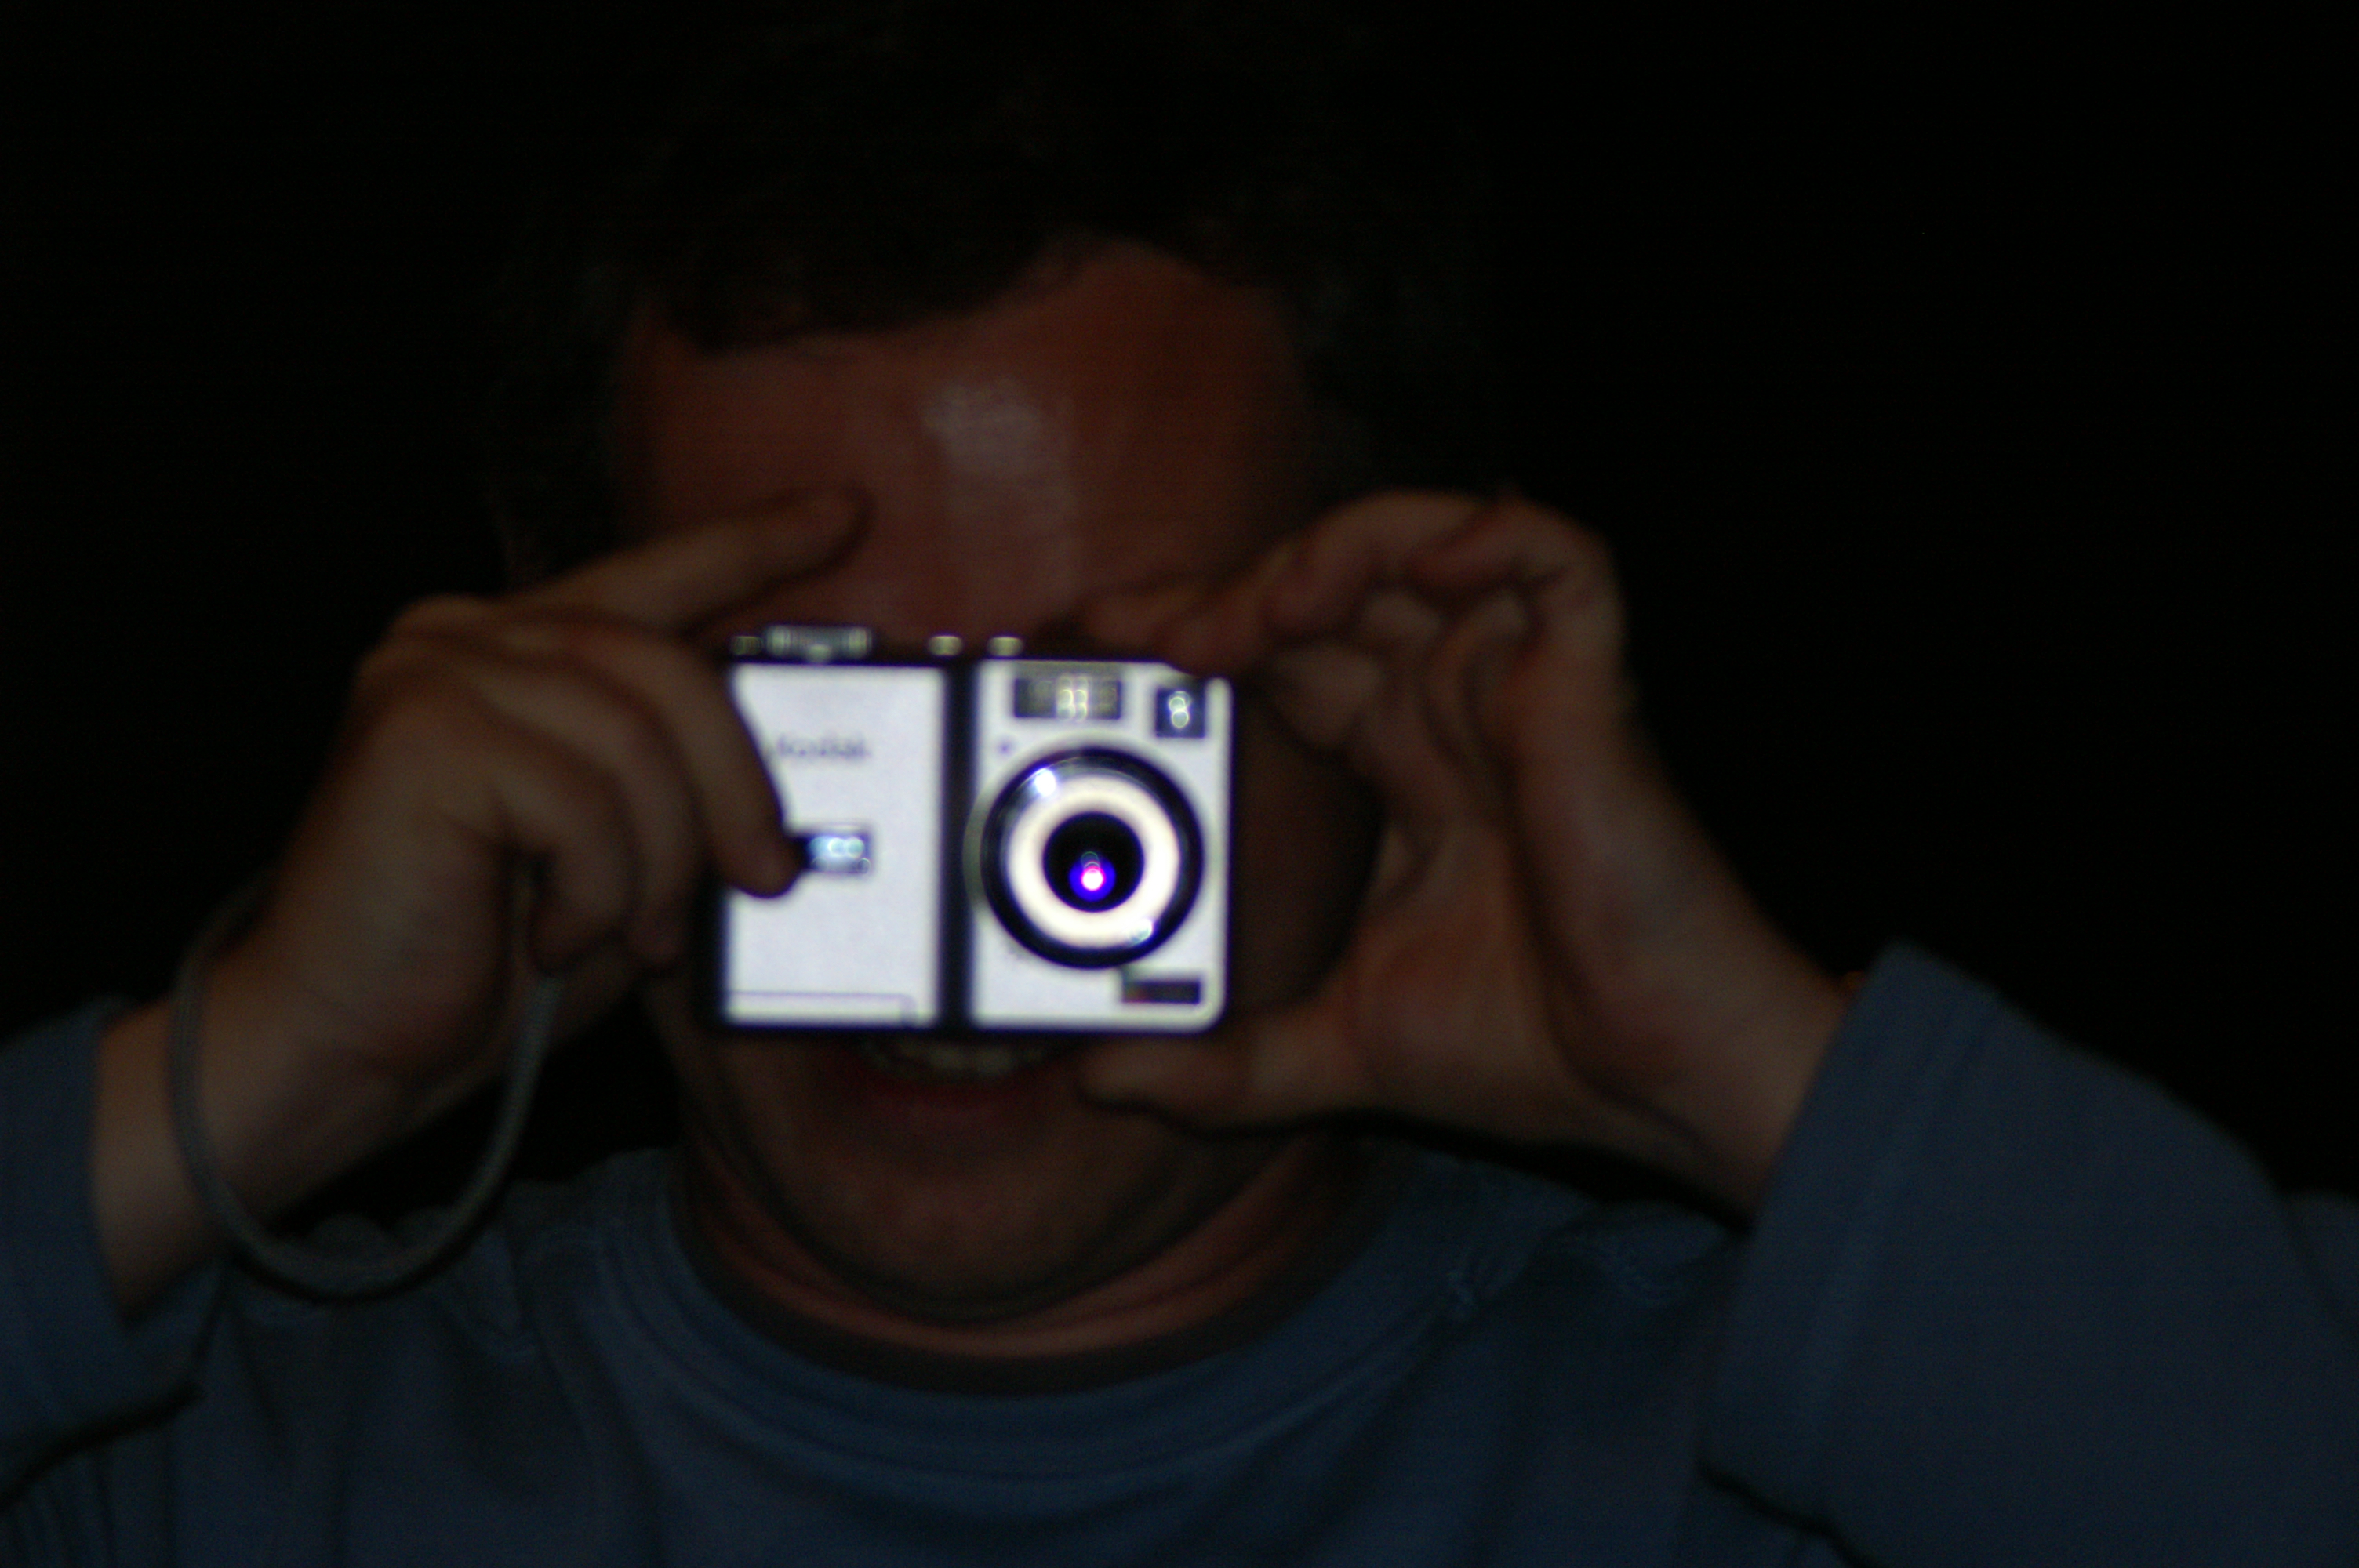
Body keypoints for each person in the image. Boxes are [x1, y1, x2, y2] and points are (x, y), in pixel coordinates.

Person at [5, 8, 2356, 1563]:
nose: (961, 918)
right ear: (555, 705)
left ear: (1391, 691)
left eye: (1094, 729)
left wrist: (1750, 1077)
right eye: (823, 717)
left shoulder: (1829, 1459)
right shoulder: (196, 1475)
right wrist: (241, 1090)